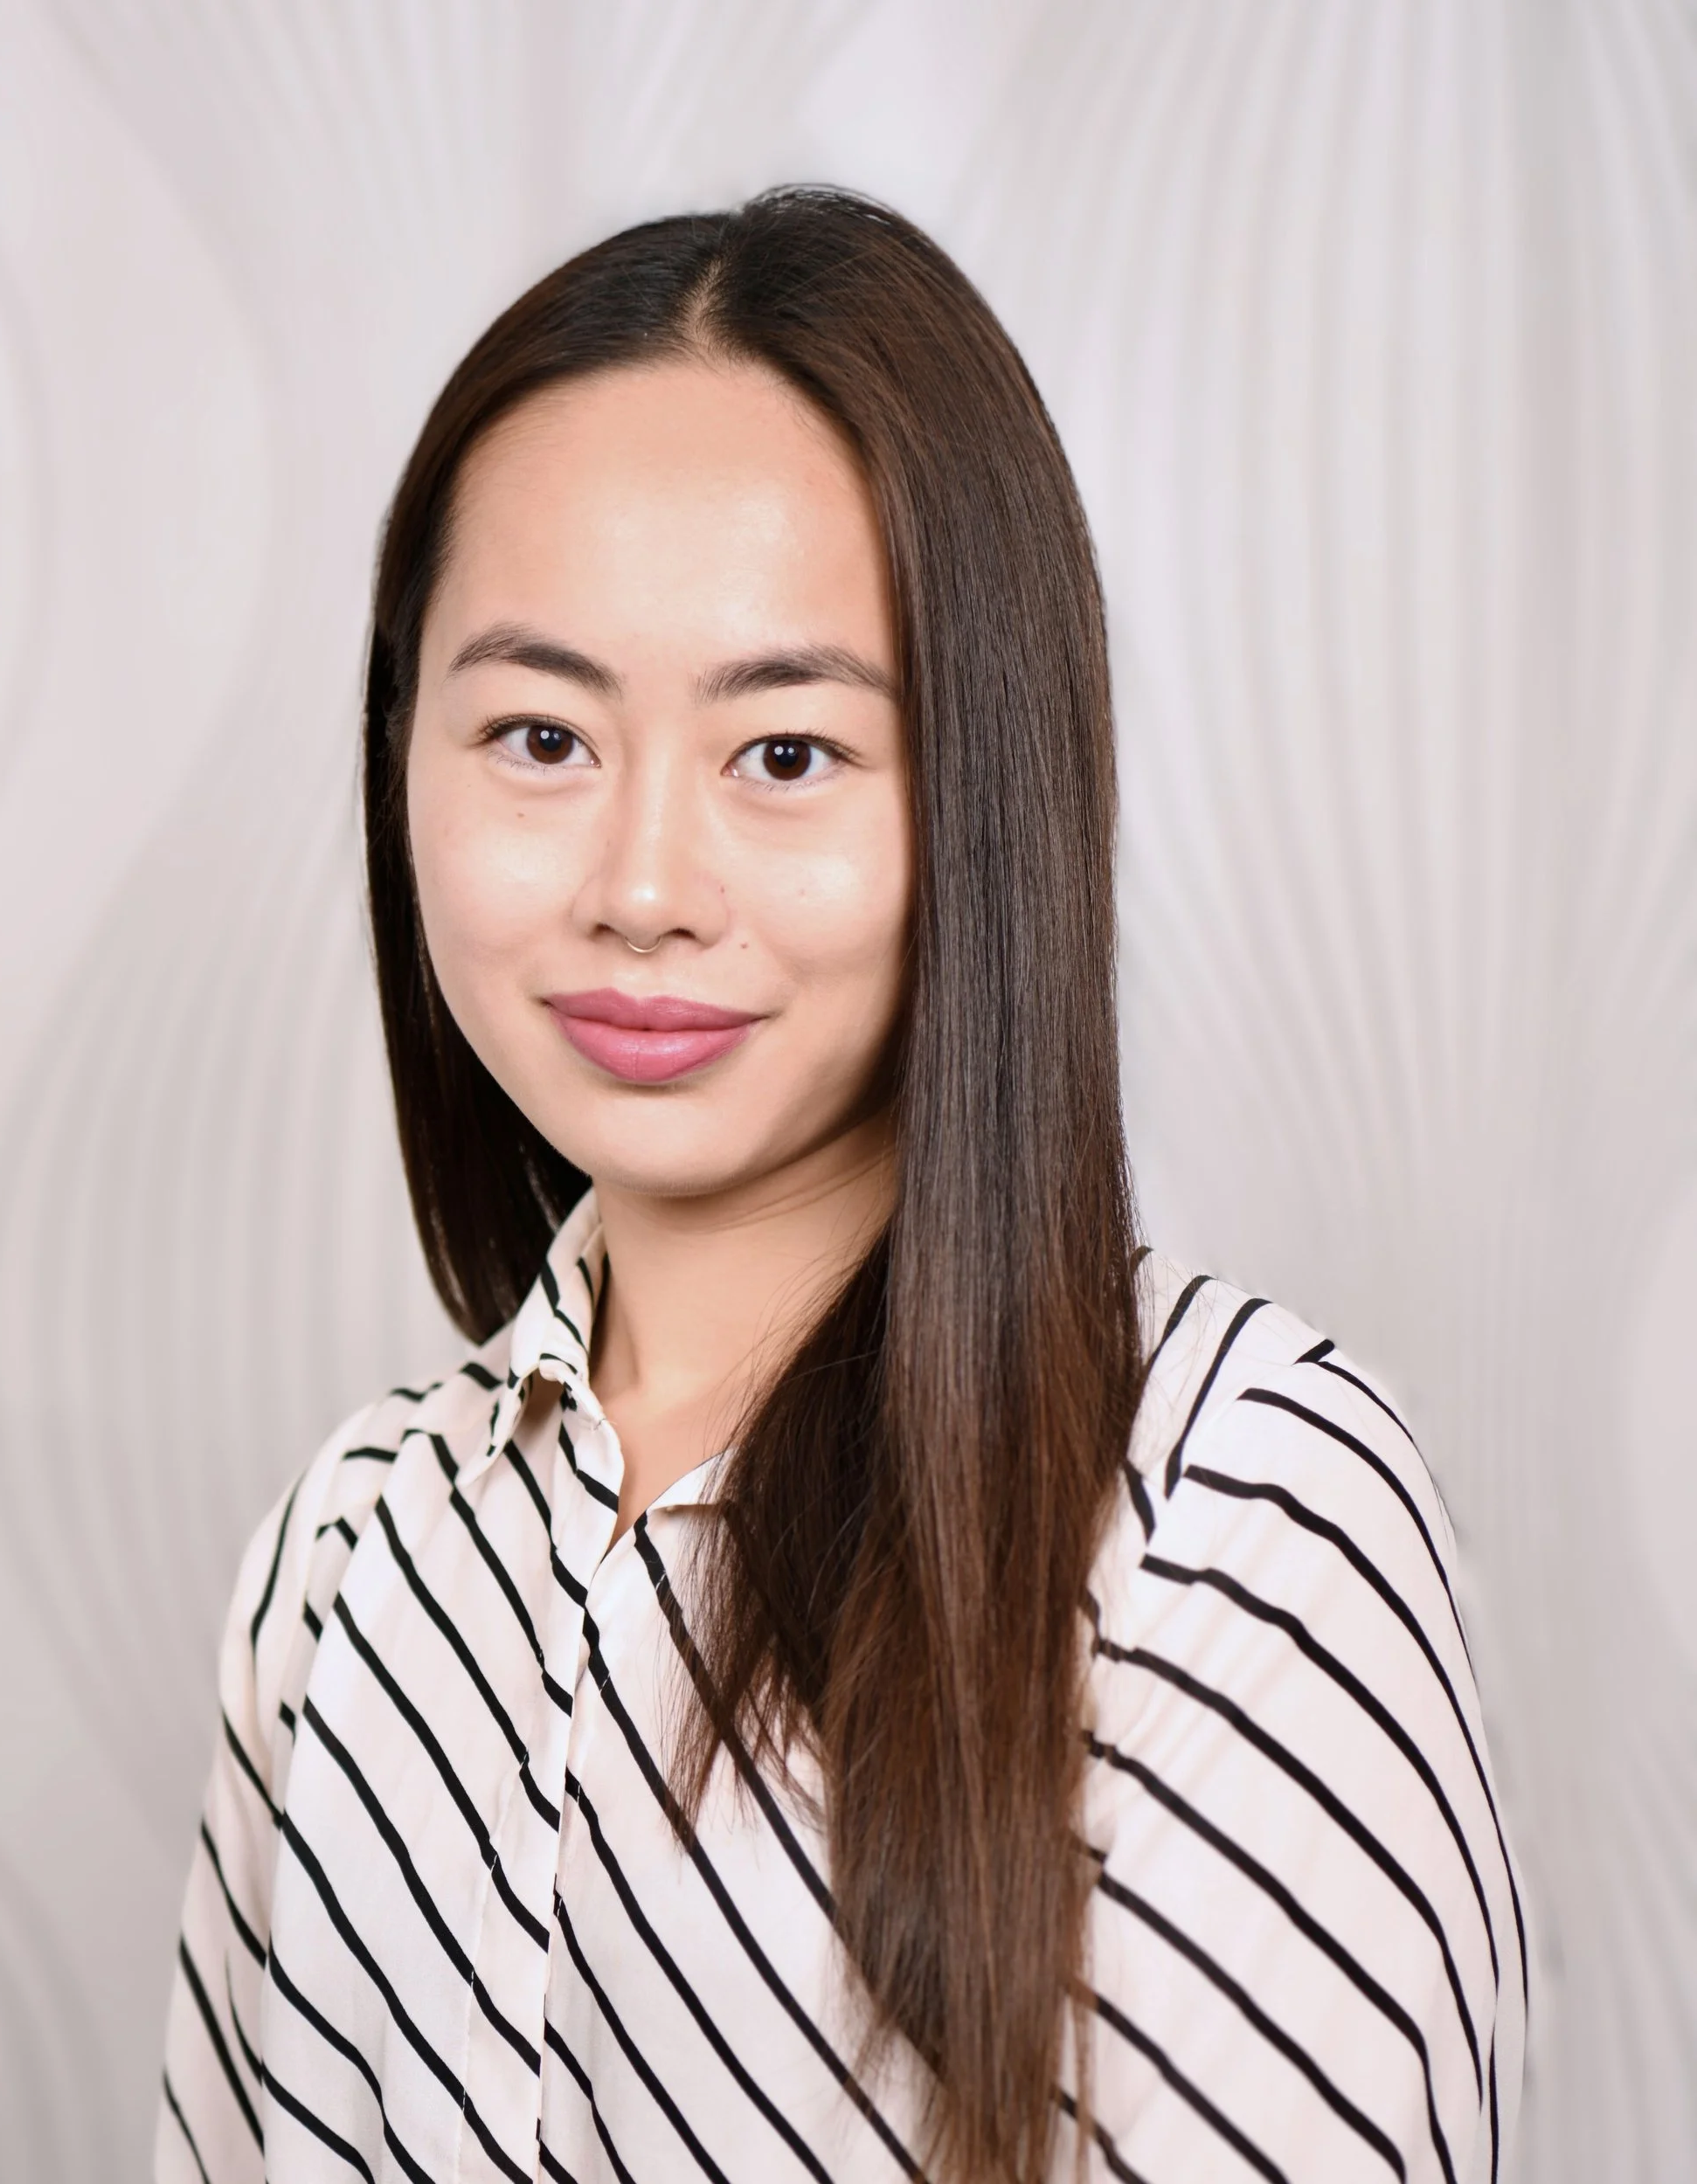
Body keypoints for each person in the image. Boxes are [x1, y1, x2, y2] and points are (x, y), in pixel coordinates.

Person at [154, 187, 1527, 2184]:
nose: (641, 884)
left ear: (985, 785)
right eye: (537, 733)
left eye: (784, 754)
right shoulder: (347, 1555)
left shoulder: (1227, 1512)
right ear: (398, 760)